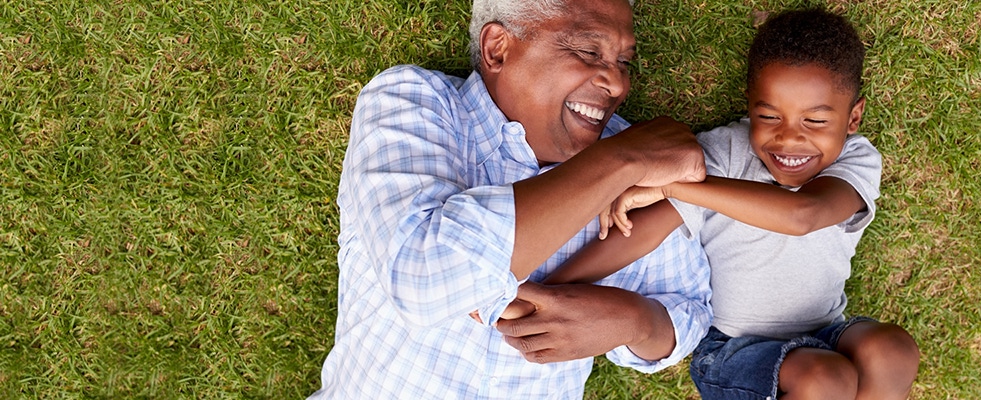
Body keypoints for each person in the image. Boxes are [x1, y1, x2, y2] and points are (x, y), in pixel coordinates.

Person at [309, 0, 715, 398]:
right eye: (589, 51)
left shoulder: (635, 166)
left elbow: (688, 311)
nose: (618, 84)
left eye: (623, 62)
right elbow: (424, 279)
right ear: (497, 48)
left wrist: (633, 322)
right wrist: (620, 161)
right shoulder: (412, 102)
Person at [526, 9, 920, 400]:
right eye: (769, 116)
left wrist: (675, 186)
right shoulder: (725, 152)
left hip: (827, 329)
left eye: (815, 122)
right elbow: (640, 234)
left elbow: (805, 215)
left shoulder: (856, 159)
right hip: (734, 349)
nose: (788, 140)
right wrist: (546, 288)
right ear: (750, 105)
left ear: (853, 118)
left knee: (893, 352)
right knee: (825, 380)